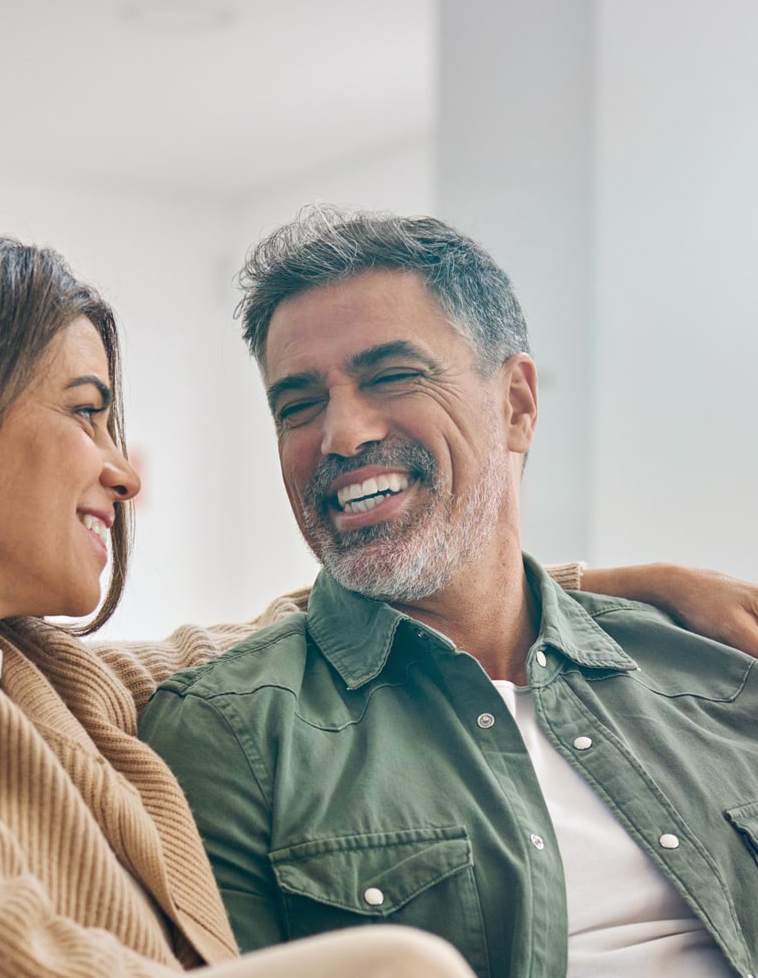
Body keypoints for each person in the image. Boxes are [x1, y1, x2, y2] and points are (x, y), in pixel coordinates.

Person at [0, 227, 749, 978]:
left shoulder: (48, 685)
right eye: (87, 413)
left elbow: (317, 621)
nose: (123, 473)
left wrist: (593, 588)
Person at [138, 208, 758, 978]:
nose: (341, 435)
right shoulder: (230, 732)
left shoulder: (719, 671)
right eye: (297, 405)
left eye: (391, 376)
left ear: (516, 406)